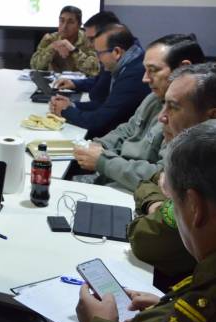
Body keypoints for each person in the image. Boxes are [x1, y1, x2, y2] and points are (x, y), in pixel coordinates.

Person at [76, 118, 216, 322]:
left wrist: (97, 321)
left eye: (174, 203)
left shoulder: (207, 306)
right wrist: (165, 305)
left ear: (195, 207)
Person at [128, 63, 216, 289]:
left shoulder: (211, 174)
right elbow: (151, 181)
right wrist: (160, 201)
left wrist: (156, 206)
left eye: (173, 107)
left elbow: (143, 239)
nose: (161, 117)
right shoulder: (192, 153)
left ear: (214, 116)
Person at [72, 35, 204, 192]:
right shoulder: (154, 97)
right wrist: (101, 145)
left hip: (136, 193)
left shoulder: (191, 115)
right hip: (116, 178)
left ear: (183, 69)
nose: (145, 79)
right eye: (145, 70)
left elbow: (163, 177)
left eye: (153, 70)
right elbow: (128, 128)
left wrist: (104, 161)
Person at [50, 24, 151, 139]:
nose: (97, 59)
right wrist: (72, 105)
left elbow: (98, 122)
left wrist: (65, 110)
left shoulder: (134, 75)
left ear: (117, 52)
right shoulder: (129, 62)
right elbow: (107, 105)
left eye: (99, 54)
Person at [55, 11, 122, 104]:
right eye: (61, 21)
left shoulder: (129, 68)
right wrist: (74, 83)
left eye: (92, 39)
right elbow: (98, 80)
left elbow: (98, 98)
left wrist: (69, 108)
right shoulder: (51, 38)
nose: (64, 26)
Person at [30, 6, 99, 76]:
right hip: (54, 83)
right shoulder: (50, 39)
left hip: (79, 84)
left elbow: (94, 70)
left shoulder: (88, 40)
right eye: (62, 21)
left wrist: (73, 50)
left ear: (79, 25)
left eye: (70, 22)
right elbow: (34, 66)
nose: (64, 26)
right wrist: (52, 47)